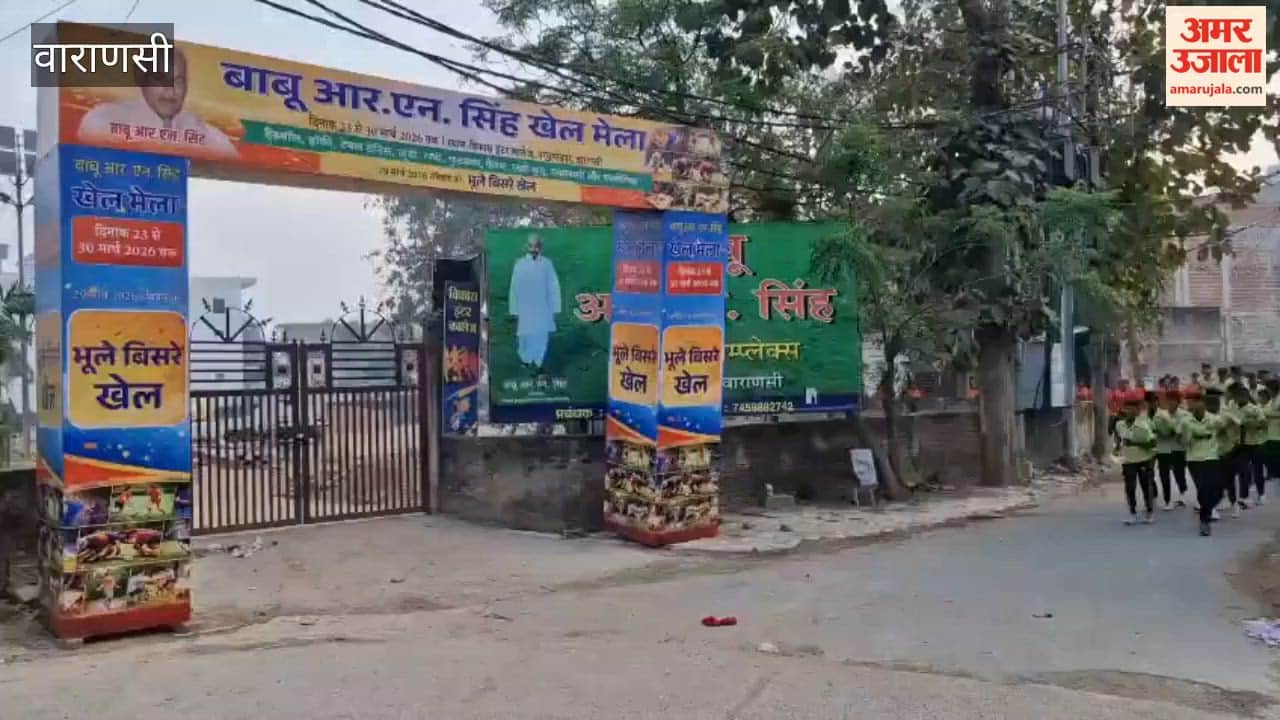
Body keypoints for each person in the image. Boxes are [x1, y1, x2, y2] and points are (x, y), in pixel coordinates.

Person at [76, 47, 238, 159]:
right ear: (142, 79)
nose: (170, 91)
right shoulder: (104, 119)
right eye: (160, 79)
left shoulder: (205, 134)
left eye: (178, 82)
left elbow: (231, 159)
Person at [508, 234, 562, 372]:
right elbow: (514, 287)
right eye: (531, 246)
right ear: (527, 247)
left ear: (540, 248)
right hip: (525, 307)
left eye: (537, 246)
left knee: (541, 334)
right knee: (525, 335)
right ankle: (525, 359)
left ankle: (538, 362)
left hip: (542, 306)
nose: (534, 249)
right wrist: (514, 309)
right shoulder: (520, 264)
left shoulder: (547, 264)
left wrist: (555, 307)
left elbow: (553, 286)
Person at [1181, 391, 1220, 536]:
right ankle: (1205, 519)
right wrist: (1192, 437)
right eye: (1195, 407)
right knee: (1202, 489)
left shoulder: (1214, 419)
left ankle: (1207, 514)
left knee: (1212, 488)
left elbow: (1227, 428)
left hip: (1211, 457)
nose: (1198, 409)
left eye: (1201, 406)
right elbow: (1184, 442)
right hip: (1194, 459)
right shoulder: (1186, 422)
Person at [1116, 396, 1157, 524]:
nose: (1129, 411)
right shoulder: (1120, 425)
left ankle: (1149, 512)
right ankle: (1132, 512)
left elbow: (1153, 443)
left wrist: (1135, 443)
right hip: (1128, 460)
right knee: (1130, 487)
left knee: (1146, 486)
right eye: (1127, 408)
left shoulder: (1144, 425)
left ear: (1138, 410)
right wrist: (1117, 448)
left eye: (1132, 409)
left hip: (1144, 459)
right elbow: (1119, 439)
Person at [1152, 389, 1189, 509]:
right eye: (1168, 400)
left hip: (1178, 448)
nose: (1170, 403)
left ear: (1178, 402)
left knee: (1179, 473)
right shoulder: (1160, 414)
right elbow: (1157, 429)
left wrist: (1170, 427)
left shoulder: (1184, 414)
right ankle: (1167, 500)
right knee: (1164, 475)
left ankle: (1182, 494)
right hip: (1163, 448)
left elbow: (1179, 430)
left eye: (1173, 400)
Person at [1209, 389, 1242, 518]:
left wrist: (1235, 438)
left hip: (1227, 451)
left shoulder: (1226, 413)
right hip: (1212, 453)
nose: (1212, 404)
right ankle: (1213, 506)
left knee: (1229, 480)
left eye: (1215, 401)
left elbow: (1239, 424)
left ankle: (1235, 505)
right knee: (1214, 481)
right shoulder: (1205, 415)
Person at [1240, 385, 1271, 506]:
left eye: (1243, 395)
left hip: (1256, 443)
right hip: (1241, 444)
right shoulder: (1233, 408)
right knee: (1244, 471)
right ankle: (1244, 496)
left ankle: (1261, 494)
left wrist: (1252, 424)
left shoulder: (1255, 409)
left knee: (1258, 470)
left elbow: (1263, 424)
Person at [1266, 379, 1280, 483]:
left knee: (1276, 455)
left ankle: (1276, 473)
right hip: (1270, 432)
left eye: (1268, 389)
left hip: (1277, 433)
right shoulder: (1272, 399)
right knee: (1271, 455)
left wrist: (1269, 414)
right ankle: (1273, 472)